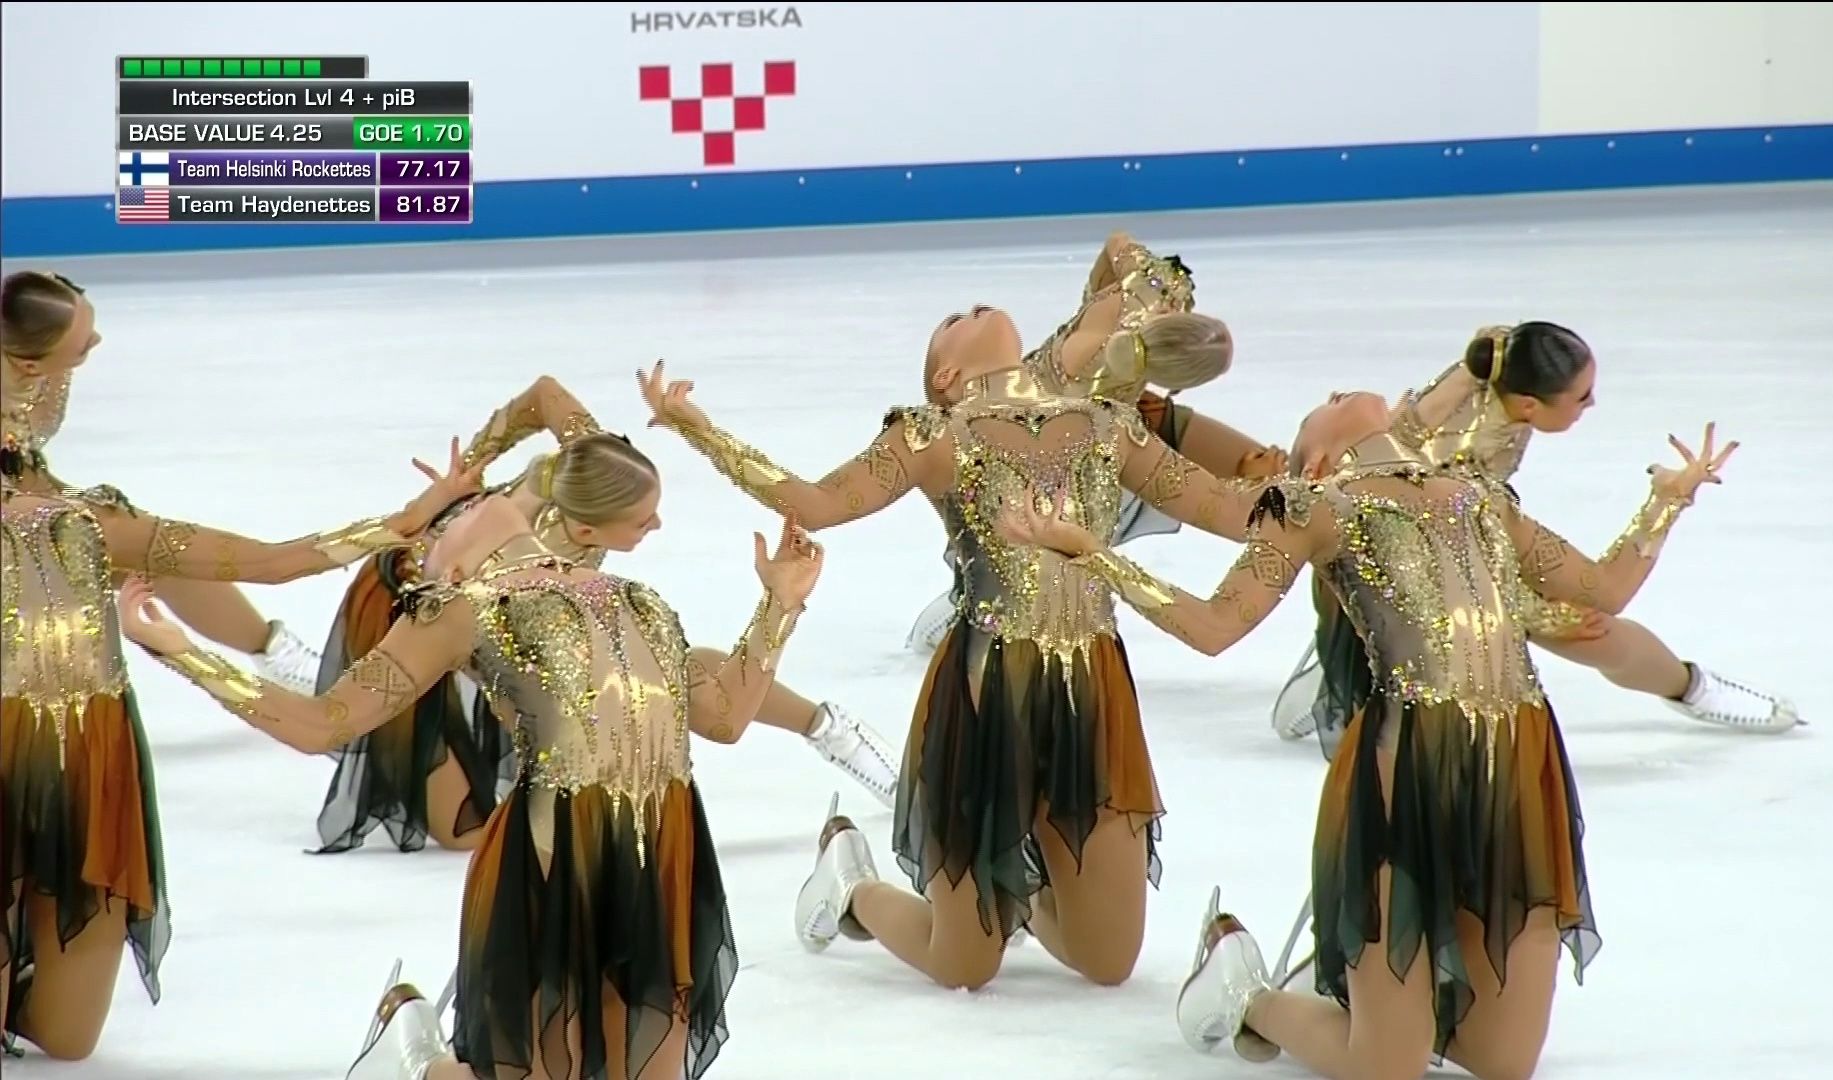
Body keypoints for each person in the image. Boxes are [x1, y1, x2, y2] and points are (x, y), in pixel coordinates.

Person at [1004, 389, 1734, 1080]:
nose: (1335, 393)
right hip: (1404, 770)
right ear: (1317, 459)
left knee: (1504, 1063)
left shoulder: (1478, 496)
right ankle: (1250, 998)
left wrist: (1665, 502)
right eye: (1320, 406)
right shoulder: (1311, 507)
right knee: (1388, 1069)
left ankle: (1394, 1006)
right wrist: (1094, 554)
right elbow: (1215, 626)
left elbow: (1605, 589)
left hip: (1518, 767)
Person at [638, 300, 1270, 994]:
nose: (974, 308)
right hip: (982, 698)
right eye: (955, 318)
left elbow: (1235, 514)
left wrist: (1323, 490)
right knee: (963, 966)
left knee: (1107, 961)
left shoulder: (1108, 425)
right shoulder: (932, 436)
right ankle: (852, 889)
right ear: (945, 374)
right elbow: (815, 503)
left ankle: (1017, 893)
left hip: (1092, 696)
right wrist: (696, 427)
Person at [118, 480, 825, 1080]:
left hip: (659, 858)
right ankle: (420, 1056)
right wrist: (184, 654)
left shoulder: (626, 601)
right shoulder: (476, 610)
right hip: (556, 858)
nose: (421, 565)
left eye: (429, 548)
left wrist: (781, 604)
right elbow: (323, 725)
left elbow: (725, 716)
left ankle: (415, 1047)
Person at [1, 433, 479, 1062]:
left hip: (86, 774)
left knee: (70, 1039)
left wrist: (405, 520)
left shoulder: (84, 525)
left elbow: (273, 562)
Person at [314, 378, 897, 857]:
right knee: (465, 830)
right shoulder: (514, 572)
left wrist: (472, 466)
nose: (657, 525)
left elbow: (545, 393)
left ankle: (828, 728)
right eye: (642, 521)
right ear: (589, 530)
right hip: (412, 612)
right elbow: (468, 645)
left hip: (495, 618)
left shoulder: (595, 464)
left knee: (658, 670)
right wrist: (462, 479)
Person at [1271, 322, 1797, 742]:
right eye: (1582, 397)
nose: (1591, 405)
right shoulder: (1459, 473)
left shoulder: (1496, 369)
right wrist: (1667, 500)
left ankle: (1691, 686)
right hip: (1403, 553)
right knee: (1591, 628)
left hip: (1446, 522)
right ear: (1529, 405)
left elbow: (1435, 402)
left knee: (1590, 615)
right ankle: (1355, 638)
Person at [904, 233, 1285, 652]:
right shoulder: (1142, 315)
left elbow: (1116, 243)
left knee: (1259, 470)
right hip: (1070, 465)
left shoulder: (1152, 291)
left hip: (1106, 437)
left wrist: (1102, 295)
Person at [1, 269, 330, 692]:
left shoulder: (26, 342)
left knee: (166, 559)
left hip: (31, 496)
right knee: (154, 551)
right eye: (82, 346)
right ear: (29, 364)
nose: (96, 340)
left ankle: (281, 657)